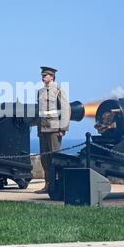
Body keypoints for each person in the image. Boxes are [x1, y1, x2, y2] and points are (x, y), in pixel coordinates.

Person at [35, 66, 71, 194]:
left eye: (45, 75)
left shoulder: (59, 90)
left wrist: (63, 128)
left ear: (52, 76)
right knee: (45, 159)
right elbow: (39, 111)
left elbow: (66, 110)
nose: (43, 77)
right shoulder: (40, 91)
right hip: (42, 129)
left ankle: (59, 184)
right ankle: (48, 184)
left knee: (56, 158)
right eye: (42, 75)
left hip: (55, 129)